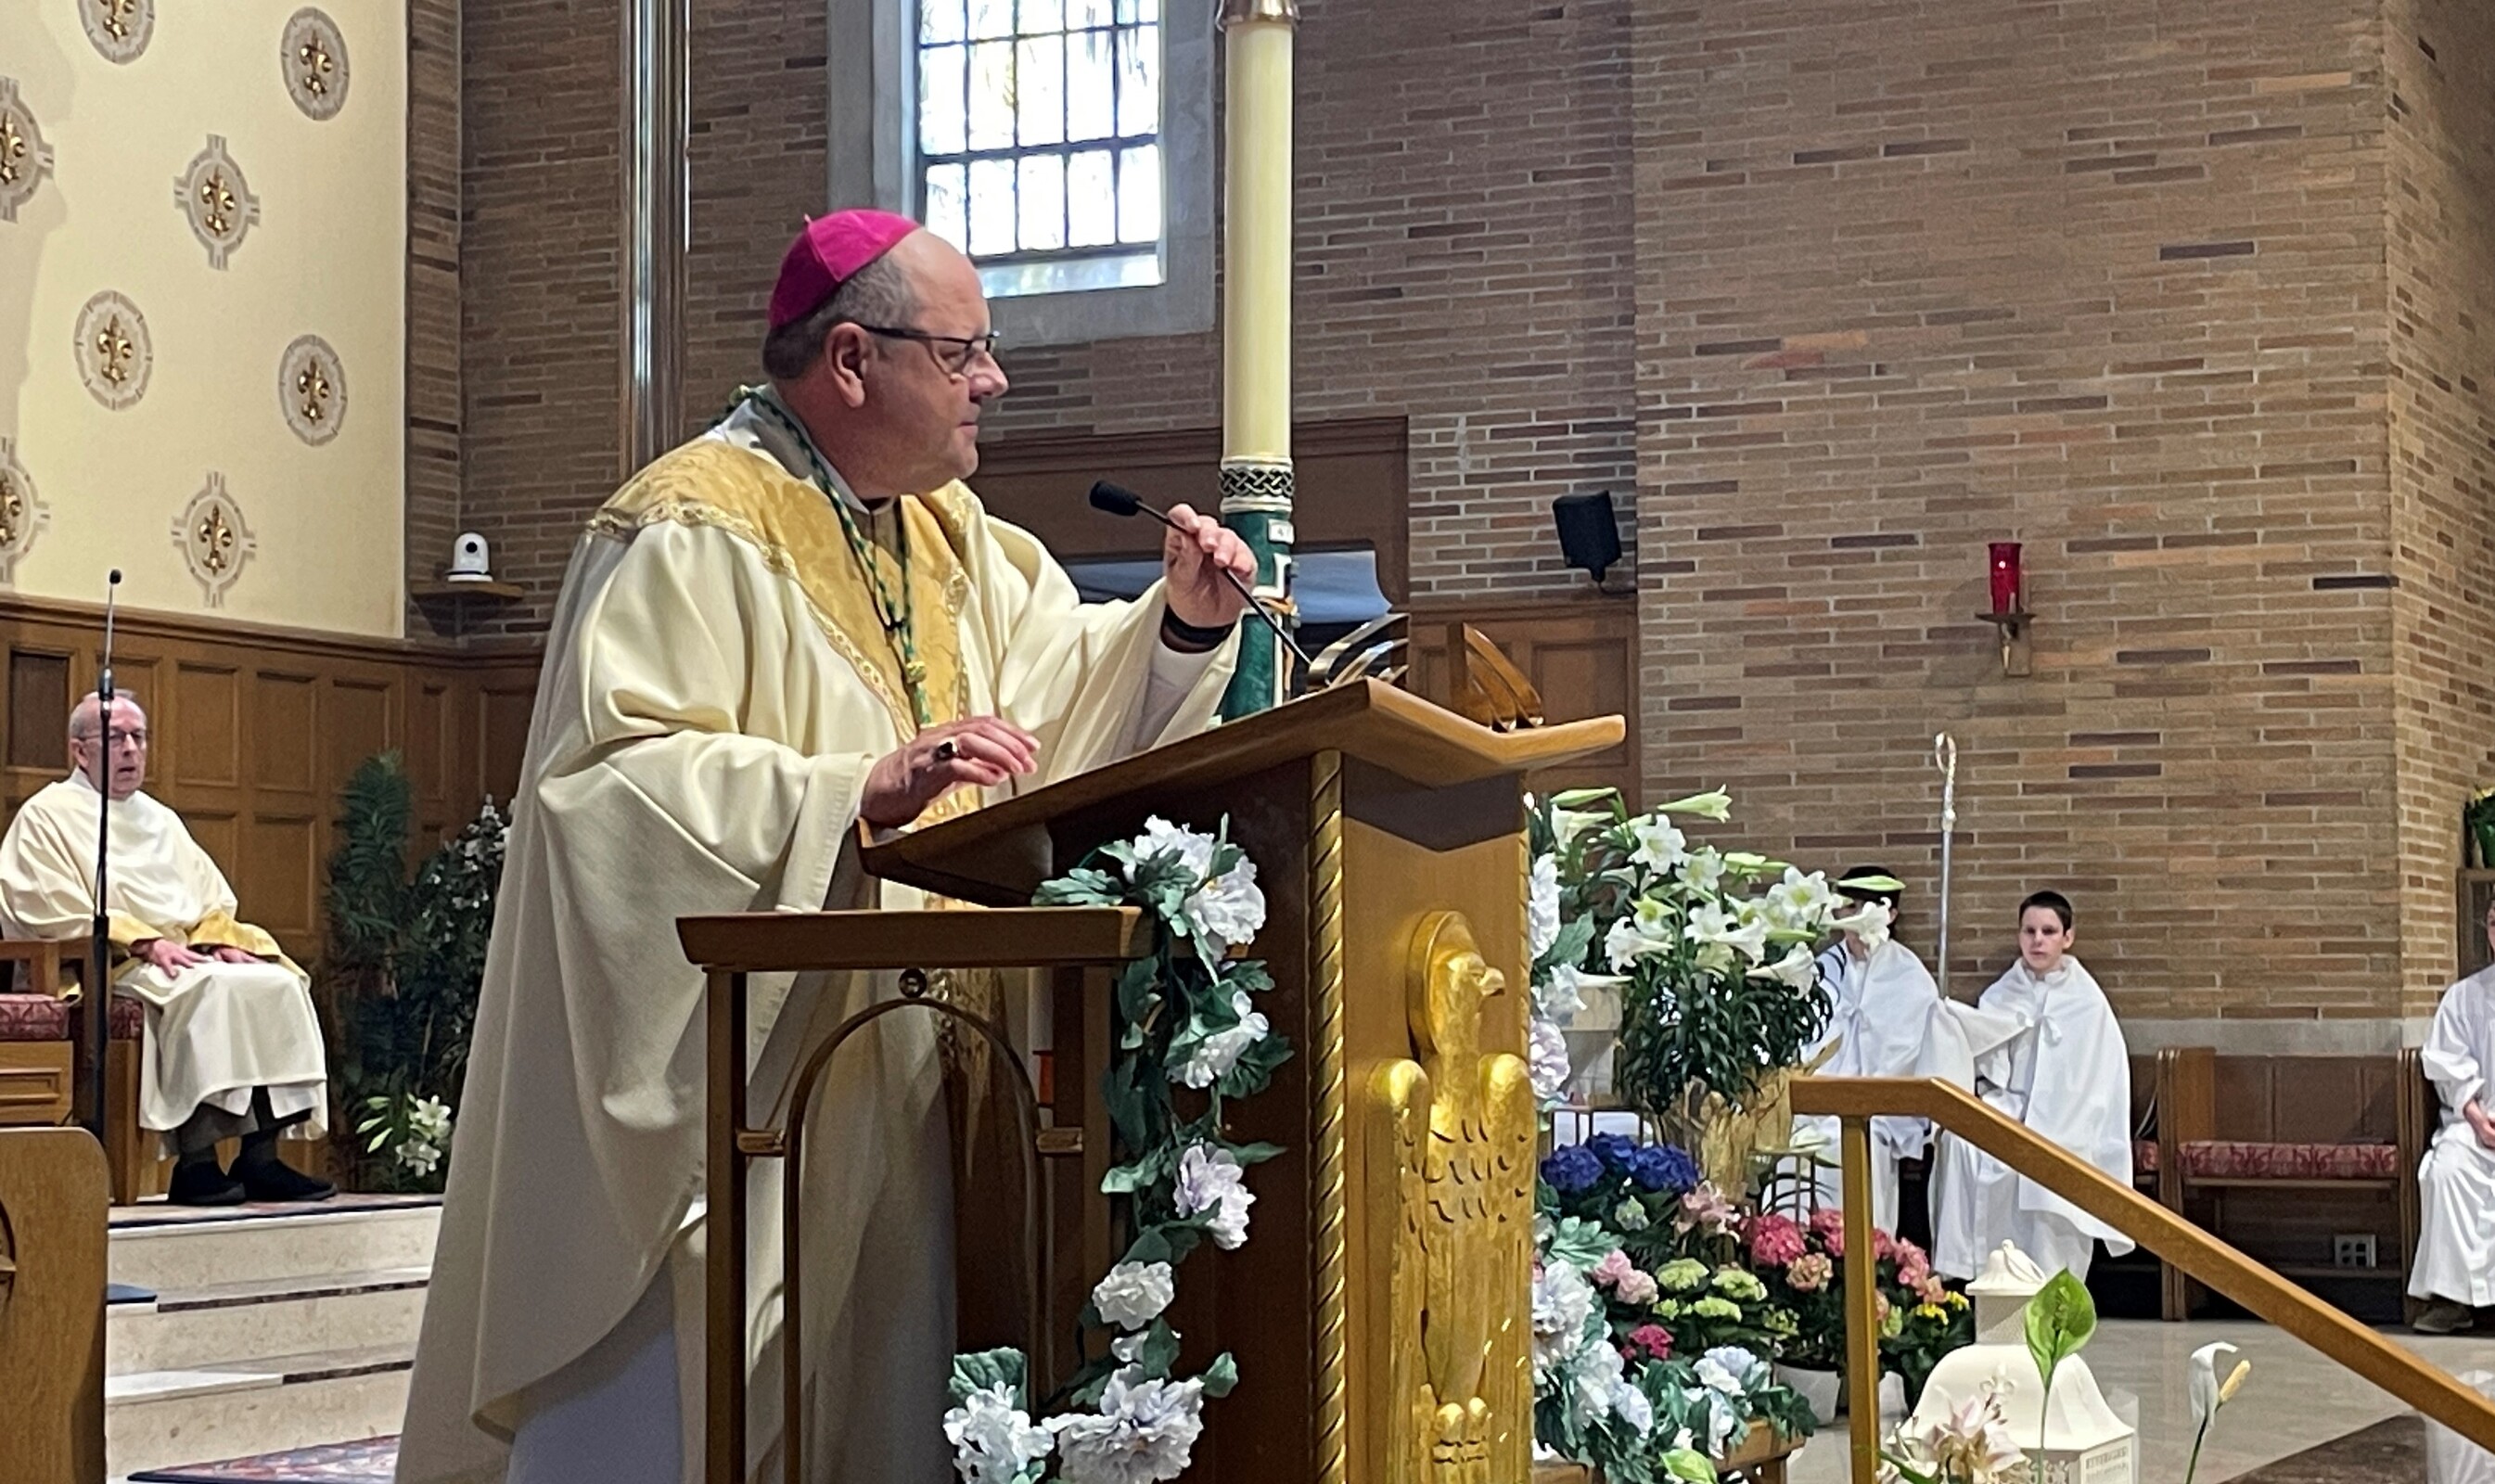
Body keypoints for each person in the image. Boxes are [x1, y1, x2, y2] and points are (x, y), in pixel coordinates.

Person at [397, 211, 1251, 1484]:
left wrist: (1177, 626)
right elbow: (608, 789)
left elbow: (1061, 701)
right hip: (765, 1091)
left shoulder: (952, 537)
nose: (991, 381)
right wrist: (847, 792)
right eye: (962, 352)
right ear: (853, 359)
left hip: (931, 1068)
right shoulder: (688, 526)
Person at [0, 692, 333, 1206]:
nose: (131, 749)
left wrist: (218, 941)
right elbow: (40, 905)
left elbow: (210, 898)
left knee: (277, 984)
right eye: (115, 738)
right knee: (204, 991)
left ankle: (261, 1157)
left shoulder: (161, 819)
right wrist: (145, 941)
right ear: (79, 750)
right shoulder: (46, 817)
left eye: (139, 737)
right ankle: (196, 1163)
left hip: (182, 953)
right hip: (107, 965)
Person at [1928, 890, 2133, 1282]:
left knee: (2047, 1165)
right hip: (2010, 1104)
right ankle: (1969, 1270)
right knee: (1960, 1143)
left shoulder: (2088, 1003)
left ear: (2067, 938)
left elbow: (2100, 1077)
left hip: (2069, 1115)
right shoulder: (2001, 993)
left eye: (2048, 931)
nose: (2038, 940)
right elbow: (1986, 1058)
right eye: (2029, 931)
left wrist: (2059, 1115)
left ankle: (2049, 1279)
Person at [1791, 867, 1945, 1233]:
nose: (1857, 916)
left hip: (1877, 1111)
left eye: (1868, 907)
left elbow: (1916, 1049)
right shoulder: (1822, 968)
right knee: (1795, 1147)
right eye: (1851, 906)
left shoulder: (1909, 975)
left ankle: (1866, 1252)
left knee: (1857, 1145)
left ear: (1890, 914)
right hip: (1820, 1104)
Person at [2409, 900, 2495, 1335]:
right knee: (2446, 1170)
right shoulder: (2464, 997)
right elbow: (2447, 1063)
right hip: (2477, 1124)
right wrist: (2477, 1117)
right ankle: (2452, 1300)